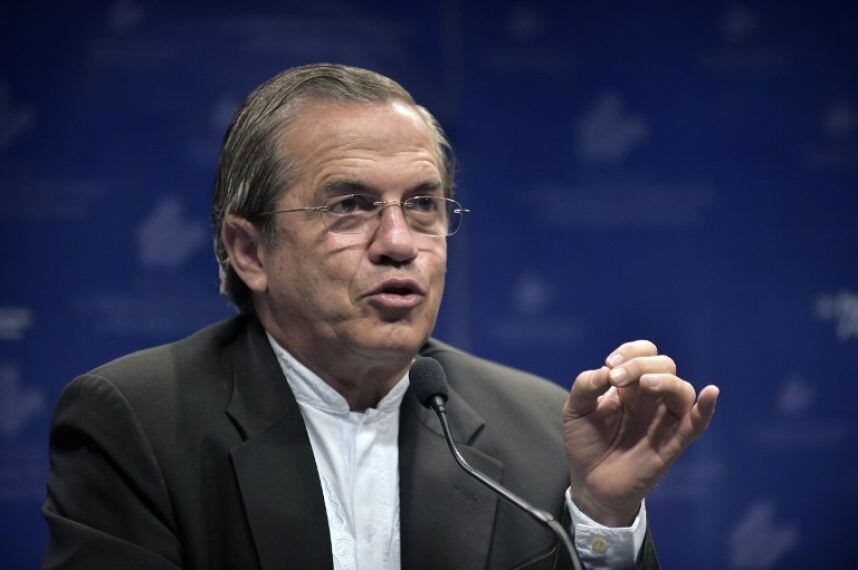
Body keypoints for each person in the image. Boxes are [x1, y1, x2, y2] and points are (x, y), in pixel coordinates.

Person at [42, 63, 719, 570]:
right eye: (350, 205)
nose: (399, 243)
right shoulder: (137, 424)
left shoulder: (544, 432)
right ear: (249, 250)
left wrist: (603, 518)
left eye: (422, 204)